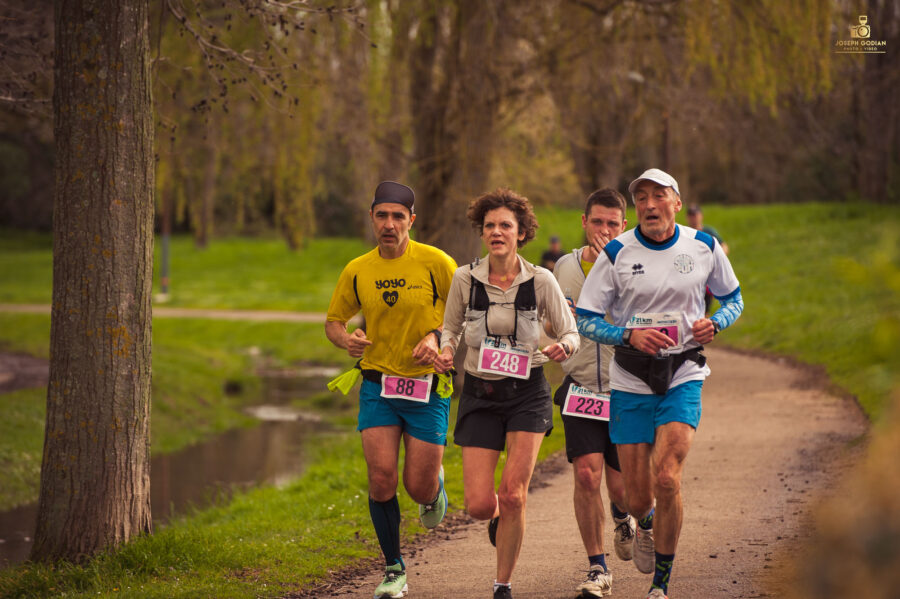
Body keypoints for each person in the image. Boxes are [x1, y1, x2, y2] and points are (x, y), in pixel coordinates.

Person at [575, 169, 744, 599]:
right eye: (641, 199)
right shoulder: (616, 252)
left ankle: (661, 584)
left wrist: (716, 322)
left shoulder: (702, 246)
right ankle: (642, 522)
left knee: (667, 477)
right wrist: (627, 334)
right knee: (636, 499)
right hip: (631, 377)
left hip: (683, 372)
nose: (649, 205)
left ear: (677, 202)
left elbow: (734, 298)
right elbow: (586, 318)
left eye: (658, 196)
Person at [433, 188, 579, 599]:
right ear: (482, 232)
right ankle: (496, 515)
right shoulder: (466, 278)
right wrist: (446, 351)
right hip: (480, 391)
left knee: (514, 494)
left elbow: (571, 332)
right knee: (481, 504)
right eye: (490, 226)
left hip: (527, 391)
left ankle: (503, 585)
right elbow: (452, 329)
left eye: (505, 226)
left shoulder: (541, 280)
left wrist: (562, 347)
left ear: (521, 233)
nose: (497, 232)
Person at [324, 181, 458, 599]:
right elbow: (334, 321)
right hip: (377, 385)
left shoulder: (436, 262)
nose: (389, 224)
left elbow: (466, 314)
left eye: (398, 216)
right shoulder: (358, 269)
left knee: (415, 487)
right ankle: (394, 569)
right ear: (371, 218)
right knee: (381, 479)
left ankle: (432, 484)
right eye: (382, 215)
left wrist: (437, 338)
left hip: (425, 387)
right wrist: (346, 340)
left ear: (411, 221)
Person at [546, 188, 636, 598]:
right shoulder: (561, 268)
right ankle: (597, 569)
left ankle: (624, 515)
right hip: (581, 389)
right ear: (583, 222)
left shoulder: (635, 268)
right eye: (597, 222)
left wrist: (612, 268)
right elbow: (549, 321)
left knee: (622, 490)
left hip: (625, 389)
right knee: (586, 475)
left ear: (625, 227)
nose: (603, 230)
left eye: (612, 224)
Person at [686, 204, 729, 315]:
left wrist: (714, 260)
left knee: (705, 307)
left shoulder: (708, 232)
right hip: (689, 275)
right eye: (691, 215)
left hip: (707, 275)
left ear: (701, 216)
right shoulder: (684, 234)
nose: (693, 218)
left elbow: (724, 247)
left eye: (695, 215)